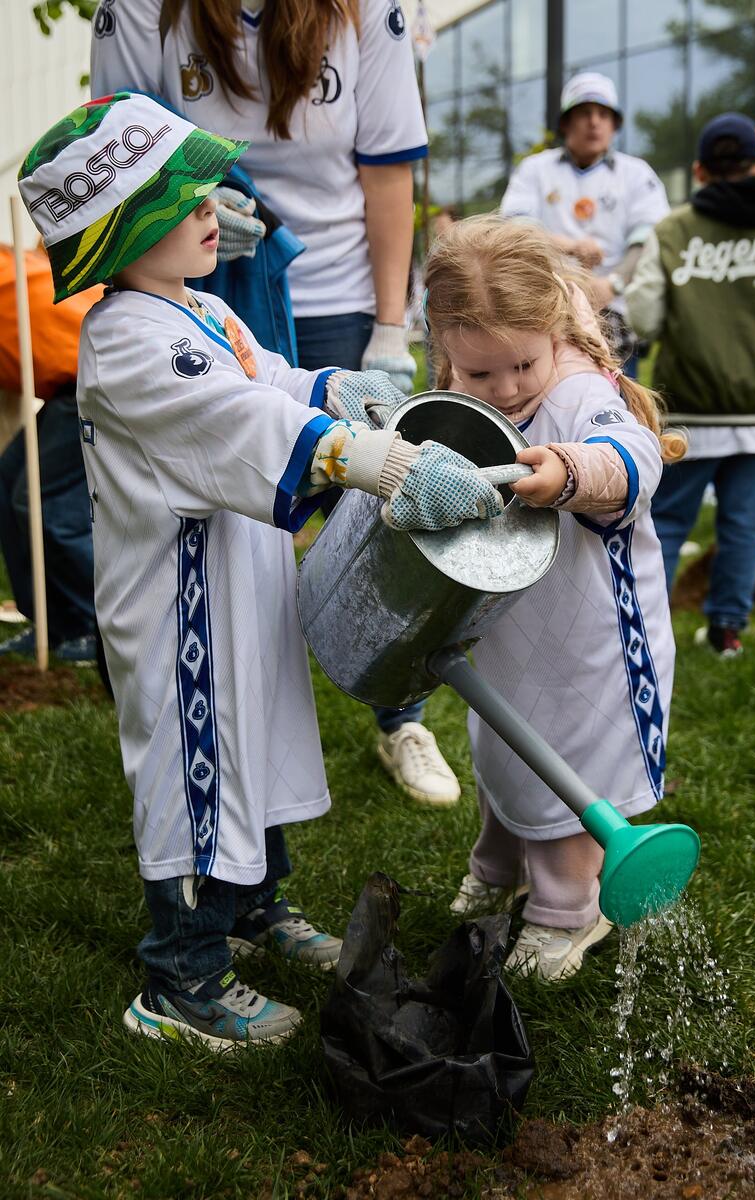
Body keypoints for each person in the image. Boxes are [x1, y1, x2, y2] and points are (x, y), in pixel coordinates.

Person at [18, 92, 503, 1047]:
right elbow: (246, 426)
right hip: (180, 609)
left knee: (255, 750)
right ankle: (181, 979)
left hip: (234, 587)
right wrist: (390, 464)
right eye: (188, 198)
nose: (216, 209)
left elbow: (268, 382)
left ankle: (251, 909)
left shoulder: (194, 308)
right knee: (200, 770)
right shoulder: (125, 340)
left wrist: (334, 389)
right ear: (123, 231)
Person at [90, 0, 462, 807]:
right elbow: (111, 143)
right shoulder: (142, 11)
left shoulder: (367, 11)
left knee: (374, 524)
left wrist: (387, 331)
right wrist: (192, 211)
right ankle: (211, 695)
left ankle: (400, 711)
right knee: (231, 502)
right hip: (193, 274)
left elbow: (387, 170)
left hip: (334, 290)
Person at [422, 215, 684, 980]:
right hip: (510, 631)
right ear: (444, 347)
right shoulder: (462, 382)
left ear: (549, 331)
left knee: (568, 762)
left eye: (521, 366)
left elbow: (629, 459)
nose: (504, 390)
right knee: (506, 748)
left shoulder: (576, 393)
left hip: (591, 639)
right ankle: (499, 866)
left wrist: (569, 473)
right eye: (479, 375)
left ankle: (567, 910)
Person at [626, 113, 755, 658]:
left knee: (671, 522)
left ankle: (647, 634)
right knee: (743, 526)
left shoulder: (673, 231)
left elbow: (645, 317)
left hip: (692, 411)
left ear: (699, 170)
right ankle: (727, 632)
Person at [500, 71, 669, 376]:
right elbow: (514, 230)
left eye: (604, 114)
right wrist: (571, 247)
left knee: (618, 403)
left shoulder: (636, 174)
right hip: (547, 309)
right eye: (585, 113)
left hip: (614, 314)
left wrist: (610, 284)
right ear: (566, 123)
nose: (594, 122)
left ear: (614, 125)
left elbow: (649, 238)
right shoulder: (534, 170)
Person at [0, 248, 102, 663]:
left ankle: (90, 626)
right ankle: (48, 620)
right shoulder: (13, 263)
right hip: (65, 384)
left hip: (90, 379)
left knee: (44, 502)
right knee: (7, 480)